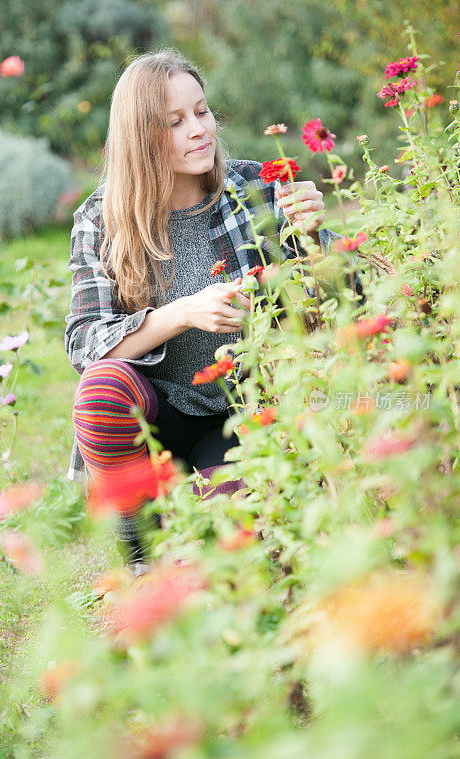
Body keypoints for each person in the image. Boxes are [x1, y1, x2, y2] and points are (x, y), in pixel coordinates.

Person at [64, 49, 335, 562]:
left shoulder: (256, 188)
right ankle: (142, 555)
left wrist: (315, 237)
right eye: (174, 122)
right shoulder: (101, 219)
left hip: (240, 412)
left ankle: (204, 503)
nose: (199, 130)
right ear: (140, 137)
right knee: (101, 393)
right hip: (156, 416)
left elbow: (345, 288)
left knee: (227, 543)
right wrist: (183, 312)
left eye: (202, 111)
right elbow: (84, 345)